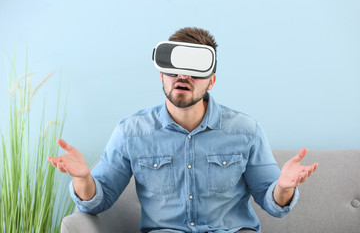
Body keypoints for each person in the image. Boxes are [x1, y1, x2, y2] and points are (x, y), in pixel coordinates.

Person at [48, 27, 318, 233]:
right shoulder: (131, 131)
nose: (183, 76)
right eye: (174, 69)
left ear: (211, 81)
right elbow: (97, 202)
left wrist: (283, 187)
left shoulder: (246, 130)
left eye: (194, 70)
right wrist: (83, 177)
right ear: (162, 75)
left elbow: (274, 205)